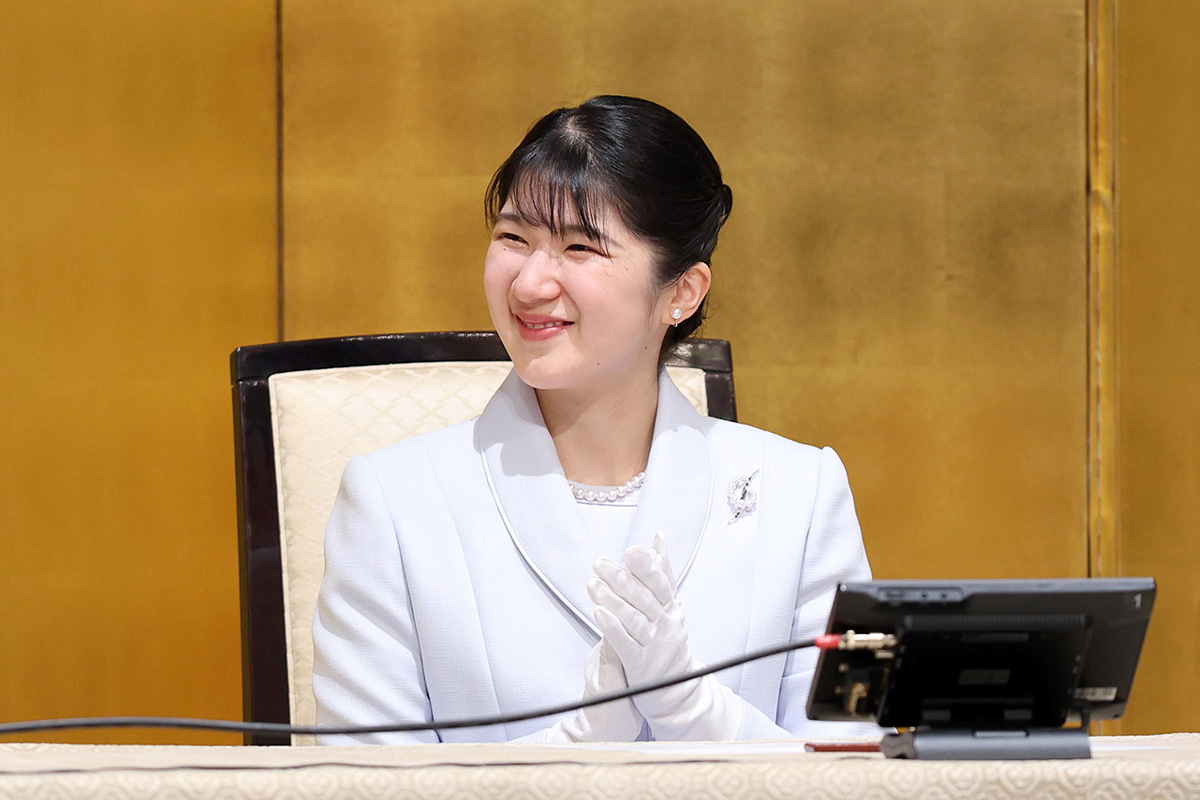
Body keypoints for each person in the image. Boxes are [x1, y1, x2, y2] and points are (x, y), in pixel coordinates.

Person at [311, 95, 873, 744]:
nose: (529, 285)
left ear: (682, 292)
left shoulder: (801, 494)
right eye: (513, 238)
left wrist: (696, 711)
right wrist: (575, 742)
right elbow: (364, 780)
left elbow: (855, 770)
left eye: (580, 247)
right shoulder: (392, 501)